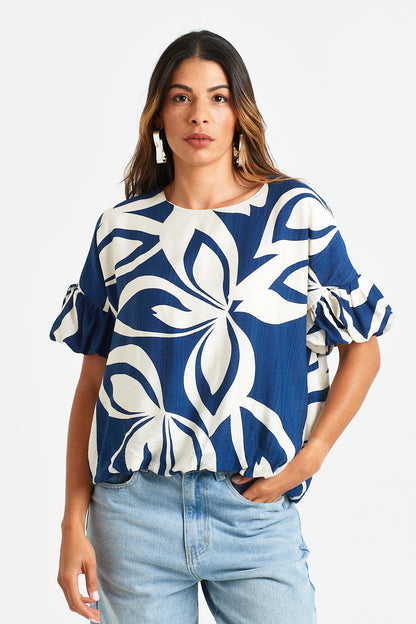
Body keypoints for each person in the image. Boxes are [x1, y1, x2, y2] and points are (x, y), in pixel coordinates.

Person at [50, 30, 393, 624]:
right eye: (180, 98)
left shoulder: (294, 214)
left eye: (218, 97)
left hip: (254, 512)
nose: (199, 115)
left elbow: (363, 350)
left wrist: (310, 458)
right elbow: (93, 384)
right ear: (158, 116)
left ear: (240, 113)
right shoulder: (121, 230)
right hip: (134, 516)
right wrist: (70, 525)